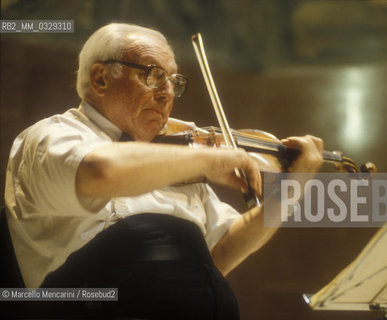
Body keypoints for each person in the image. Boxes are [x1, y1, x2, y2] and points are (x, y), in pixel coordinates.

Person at [4, 23, 323, 319]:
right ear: (100, 78)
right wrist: (209, 162)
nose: (167, 93)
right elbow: (99, 171)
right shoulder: (52, 135)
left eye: (174, 81)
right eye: (153, 75)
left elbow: (222, 252)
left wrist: (295, 185)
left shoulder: (174, 162)